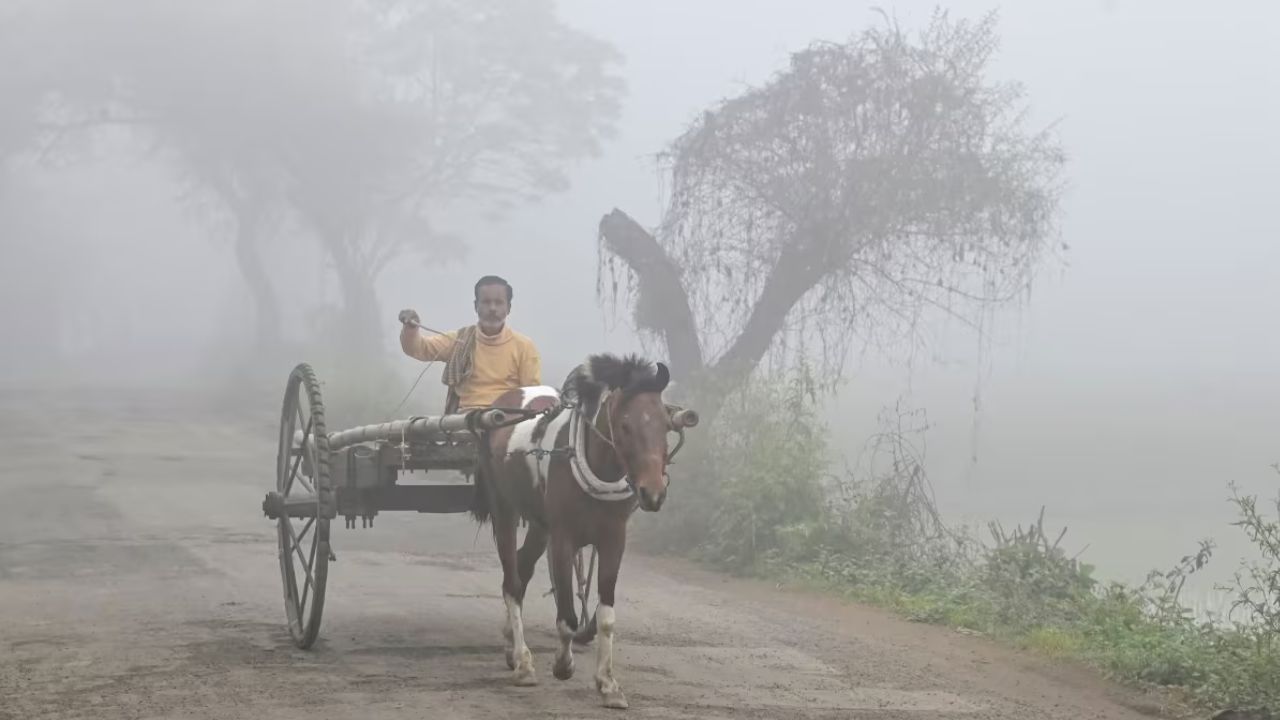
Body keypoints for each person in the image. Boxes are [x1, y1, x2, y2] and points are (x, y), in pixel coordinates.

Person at [398, 275, 542, 412]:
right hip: (466, 421)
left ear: (508, 308)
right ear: (475, 306)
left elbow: (531, 394)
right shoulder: (460, 340)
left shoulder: (524, 346)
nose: (492, 308)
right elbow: (418, 348)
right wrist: (411, 329)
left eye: (498, 302)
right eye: (486, 302)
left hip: (510, 421)